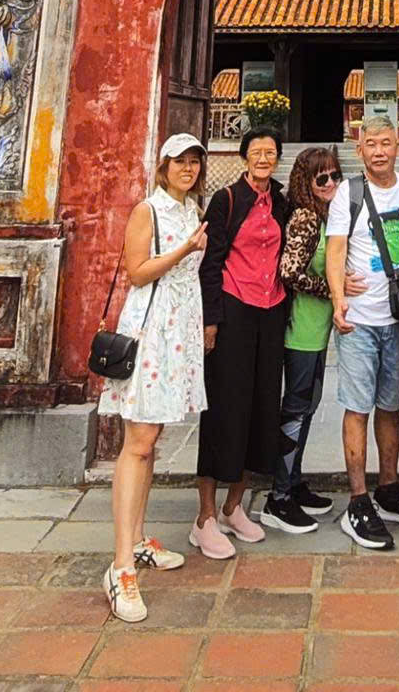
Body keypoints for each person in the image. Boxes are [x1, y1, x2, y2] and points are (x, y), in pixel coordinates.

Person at [99, 132, 209, 623]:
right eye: (179, 162)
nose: (187, 168)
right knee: (137, 440)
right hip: (150, 332)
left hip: (178, 332)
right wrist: (186, 249)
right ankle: (121, 565)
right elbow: (137, 272)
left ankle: (140, 539)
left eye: (194, 162)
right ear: (162, 167)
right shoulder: (149, 210)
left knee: (153, 438)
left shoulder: (191, 209)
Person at [323, 116, 399, 549]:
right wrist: (337, 300)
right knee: (357, 407)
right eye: (372, 144)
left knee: (390, 405)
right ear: (359, 148)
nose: (379, 151)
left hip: (398, 318)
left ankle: (388, 487)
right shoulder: (347, 193)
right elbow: (336, 251)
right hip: (360, 318)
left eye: (387, 143)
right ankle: (358, 499)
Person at [191, 128, 295, 557]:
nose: (264, 159)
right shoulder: (226, 200)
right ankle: (205, 517)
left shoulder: (282, 203)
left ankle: (236, 506)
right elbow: (210, 263)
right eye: (257, 152)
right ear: (244, 157)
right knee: (224, 410)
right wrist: (211, 321)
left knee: (261, 407)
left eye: (271, 153)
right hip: (233, 311)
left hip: (271, 313)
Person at [260, 145, 342, 531]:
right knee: (296, 408)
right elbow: (289, 272)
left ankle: (292, 483)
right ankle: (278, 497)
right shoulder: (307, 218)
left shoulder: (323, 213)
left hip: (316, 328)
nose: (330, 183)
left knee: (306, 405)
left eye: (334, 176)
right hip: (301, 329)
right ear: (305, 182)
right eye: (321, 177)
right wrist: (333, 288)